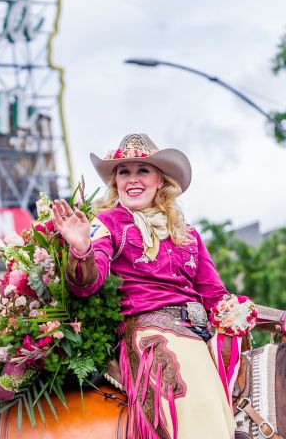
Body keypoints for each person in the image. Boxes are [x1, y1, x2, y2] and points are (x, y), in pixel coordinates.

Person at [51, 133, 236, 439]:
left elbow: (218, 300)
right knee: (196, 404)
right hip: (150, 332)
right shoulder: (106, 223)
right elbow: (88, 284)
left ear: (160, 181)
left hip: (199, 337)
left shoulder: (187, 234)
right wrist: (81, 249)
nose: (132, 179)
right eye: (124, 172)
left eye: (142, 171)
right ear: (115, 182)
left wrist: (275, 318)